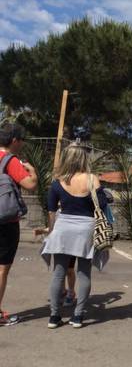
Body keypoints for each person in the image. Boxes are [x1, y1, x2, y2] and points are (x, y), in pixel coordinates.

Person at [41, 144, 108, 329]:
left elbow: (51, 210)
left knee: (58, 273)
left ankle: (54, 316)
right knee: (84, 272)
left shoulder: (57, 182)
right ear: (83, 159)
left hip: (63, 228)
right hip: (85, 228)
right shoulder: (92, 179)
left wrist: (52, 231)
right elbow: (101, 205)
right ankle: (78, 316)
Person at [0, 122, 37, 326]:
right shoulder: (10, 160)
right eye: (21, 140)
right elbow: (30, 185)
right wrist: (32, 171)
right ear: (14, 140)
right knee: (2, 269)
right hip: (5, 222)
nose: (21, 143)